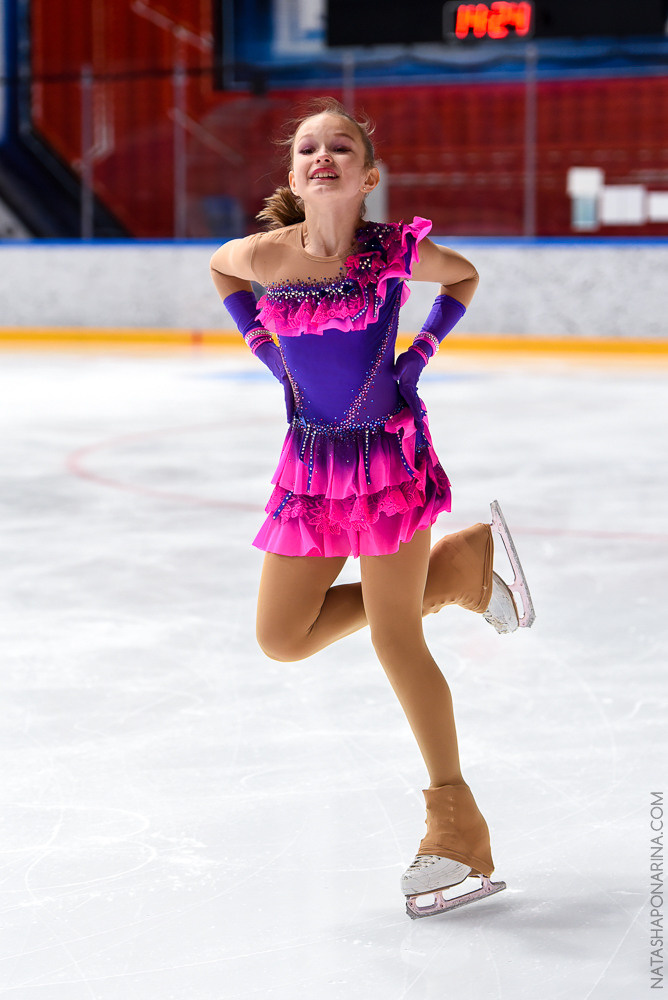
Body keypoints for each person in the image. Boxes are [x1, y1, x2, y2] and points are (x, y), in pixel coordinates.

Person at [210, 97, 534, 919]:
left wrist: (419, 354)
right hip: (312, 469)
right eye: (308, 148)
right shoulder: (264, 254)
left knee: (397, 637)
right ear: (293, 175)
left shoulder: (395, 253)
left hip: (390, 461)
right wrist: (267, 355)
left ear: (367, 175)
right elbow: (220, 271)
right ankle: (460, 566)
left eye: (340, 147)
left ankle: (454, 823)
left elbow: (462, 277)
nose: (323, 156)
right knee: (282, 637)